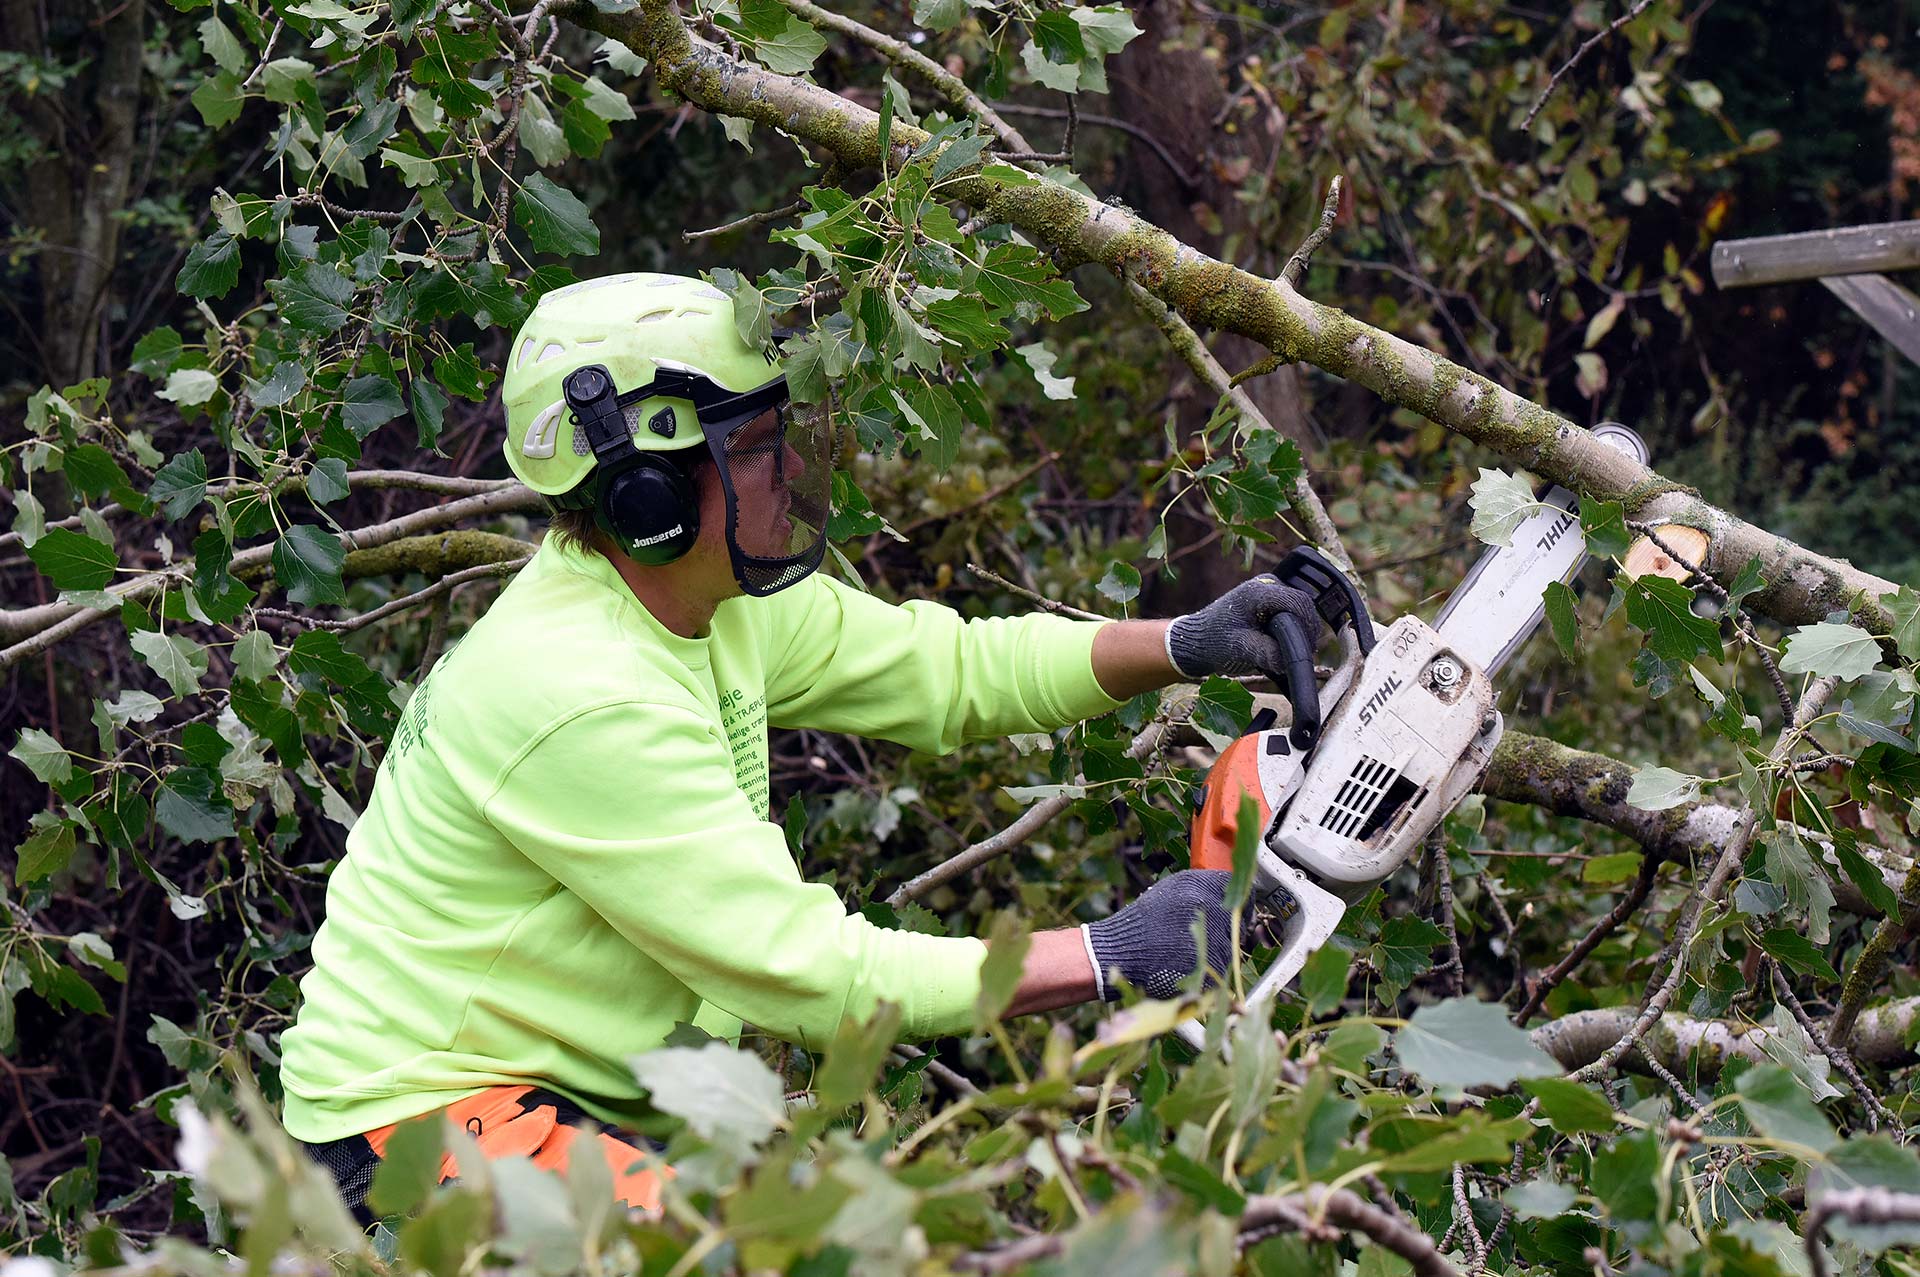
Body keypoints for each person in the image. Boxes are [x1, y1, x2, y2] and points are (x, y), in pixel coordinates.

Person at [279, 271, 1328, 1213]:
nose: (782, 473)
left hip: (591, 1090)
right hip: (414, 1123)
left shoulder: (717, 599)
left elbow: (947, 670)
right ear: (645, 493)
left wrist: (1183, 642)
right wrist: (1111, 952)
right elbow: (812, 973)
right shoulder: (580, 690)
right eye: (751, 450)